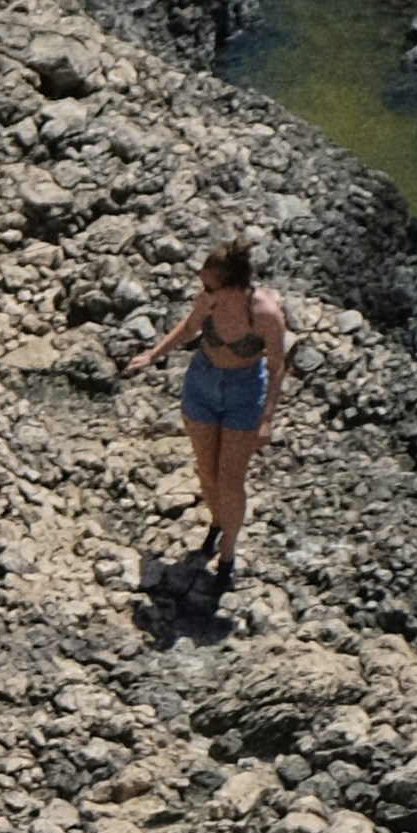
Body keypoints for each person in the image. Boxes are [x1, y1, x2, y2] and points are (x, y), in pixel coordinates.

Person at [125, 234, 292, 593]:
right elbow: (189, 328)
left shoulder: (265, 314)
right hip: (202, 384)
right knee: (207, 471)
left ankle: (227, 553)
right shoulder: (209, 302)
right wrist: (153, 355)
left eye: (210, 285)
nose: (204, 291)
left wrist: (267, 418)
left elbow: (277, 366)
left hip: (243, 393)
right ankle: (218, 521)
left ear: (232, 286)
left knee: (230, 479)